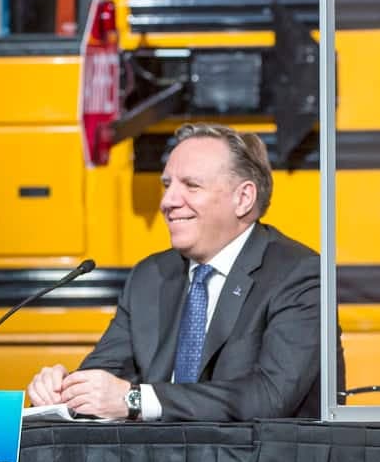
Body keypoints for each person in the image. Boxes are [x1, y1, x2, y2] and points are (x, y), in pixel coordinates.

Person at [27, 123, 342, 421]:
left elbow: (271, 395)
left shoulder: (299, 274)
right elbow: (107, 378)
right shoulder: (149, 276)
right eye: (167, 185)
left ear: (243, 198)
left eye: (191, 186)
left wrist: (135, 400)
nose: (167, 201)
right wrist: (66, 389)